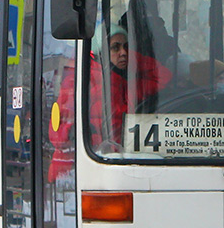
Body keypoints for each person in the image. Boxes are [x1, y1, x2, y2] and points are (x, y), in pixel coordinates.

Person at [52, 24, 171, 157]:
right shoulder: (89, 80)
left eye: (126, 47)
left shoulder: (122, 79)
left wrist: (133, 57)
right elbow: (61, 135)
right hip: (83, 162)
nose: (123, 52)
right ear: (100, 52)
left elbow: (163, 76)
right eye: (115, 47)